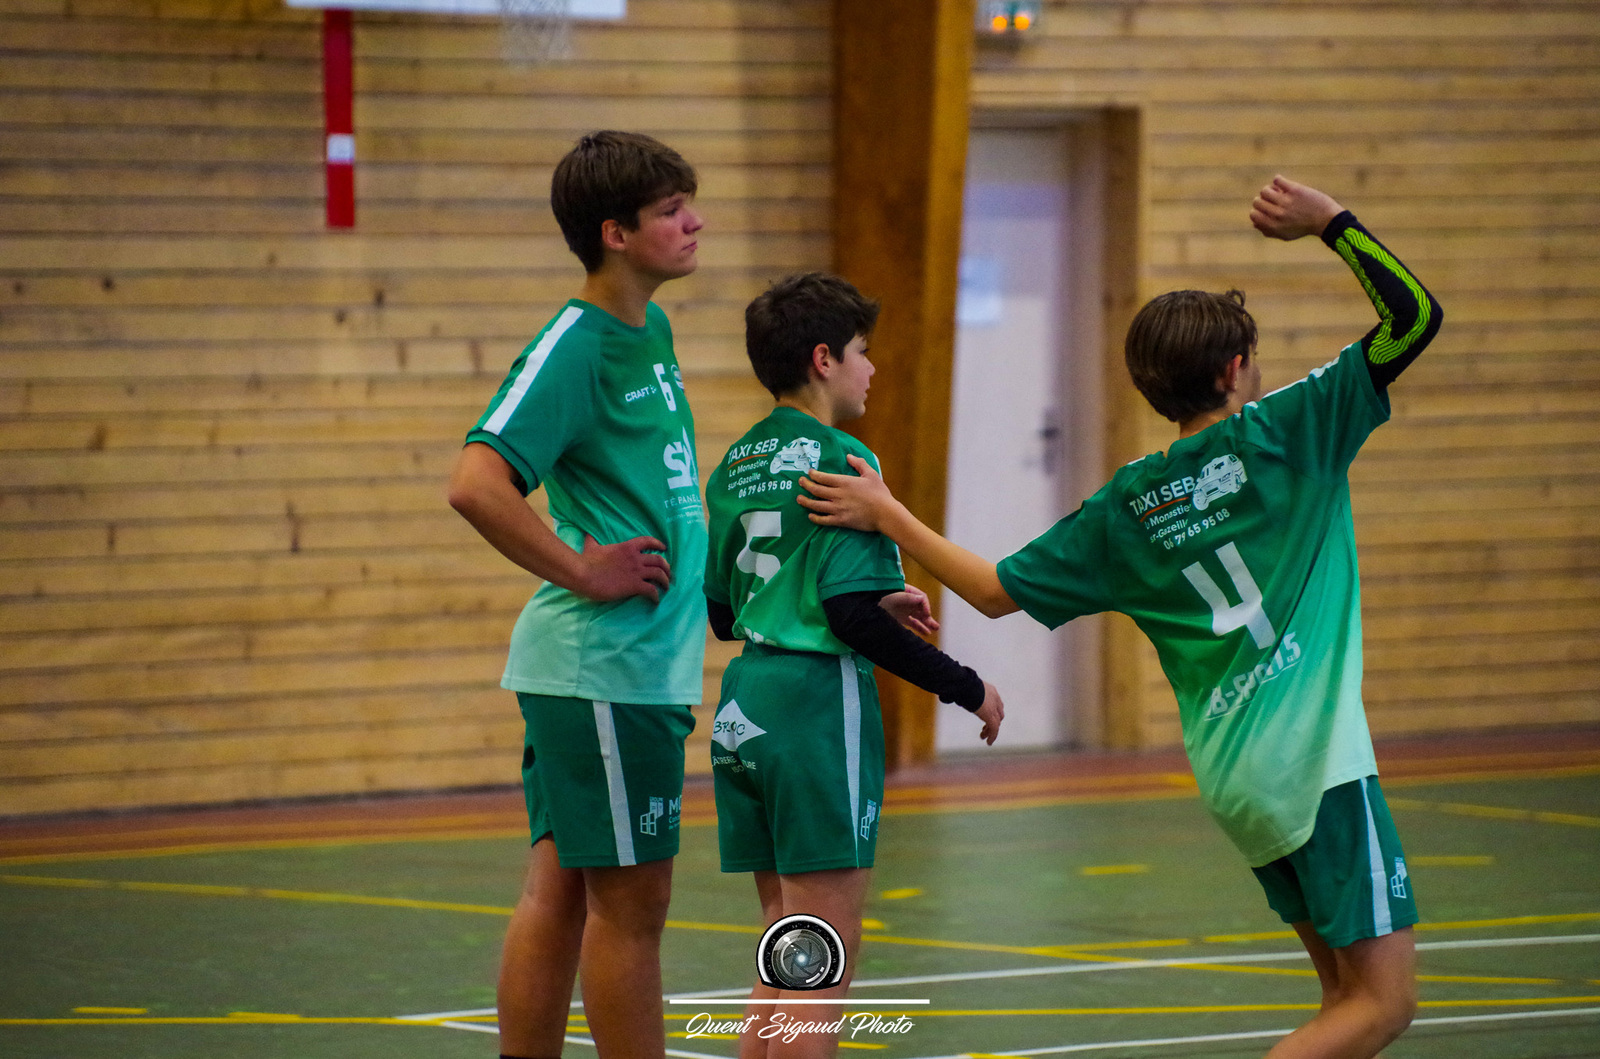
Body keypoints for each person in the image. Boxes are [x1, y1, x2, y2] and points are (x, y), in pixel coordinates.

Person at [797, 177, 1442, 1059]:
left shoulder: (1127, 508)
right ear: (1232, 371)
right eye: (1251, 358)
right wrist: (1331, 221)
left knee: (1342, 999)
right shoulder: (1293, 430)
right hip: (1317, 765)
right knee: (1385, 1003)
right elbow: (1413, 318)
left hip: (1237, 779)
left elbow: (991, 590)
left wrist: (890, 514)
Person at [447, 130, 707, 1059]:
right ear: (615, 234)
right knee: (632, 910)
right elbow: (476, 483)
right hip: (606, 669)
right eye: (671, 210)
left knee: (559, 891)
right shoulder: (573, 346)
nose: (694, 222)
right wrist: (585, 568)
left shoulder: (652, 330)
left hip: (630, 670)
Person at [704, 272, 1005, 1059]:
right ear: (824, 358)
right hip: (812, 709)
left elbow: (726, 614)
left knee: (786, 946)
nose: (872, 368)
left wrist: (865, 599)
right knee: (821, 958)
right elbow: (848, 621)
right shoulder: (845, 459)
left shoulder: (733, 464)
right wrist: (966, 685)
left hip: (745, 706)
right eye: (863, 351)